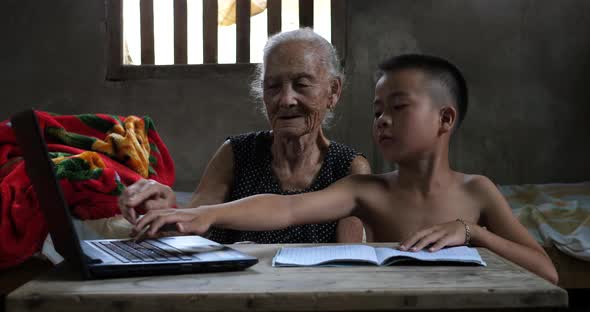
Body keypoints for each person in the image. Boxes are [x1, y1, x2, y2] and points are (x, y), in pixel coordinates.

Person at [131, 54, 559, 284]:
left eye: (398, 108)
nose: (382, 120)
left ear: (445, 120)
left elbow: (547, 272)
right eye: (377, 111)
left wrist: (472, 233)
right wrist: (204, 214)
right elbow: (286, 209)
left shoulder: (477, 192)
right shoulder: (366, 189)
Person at [118, 28, 371, 244]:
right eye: (273, 86)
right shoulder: (237, 152)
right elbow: (194, 219)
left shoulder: (348, 167)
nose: (285, 100)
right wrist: (166, 211)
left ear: (333, 92)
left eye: (301, 84)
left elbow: (346, 259)